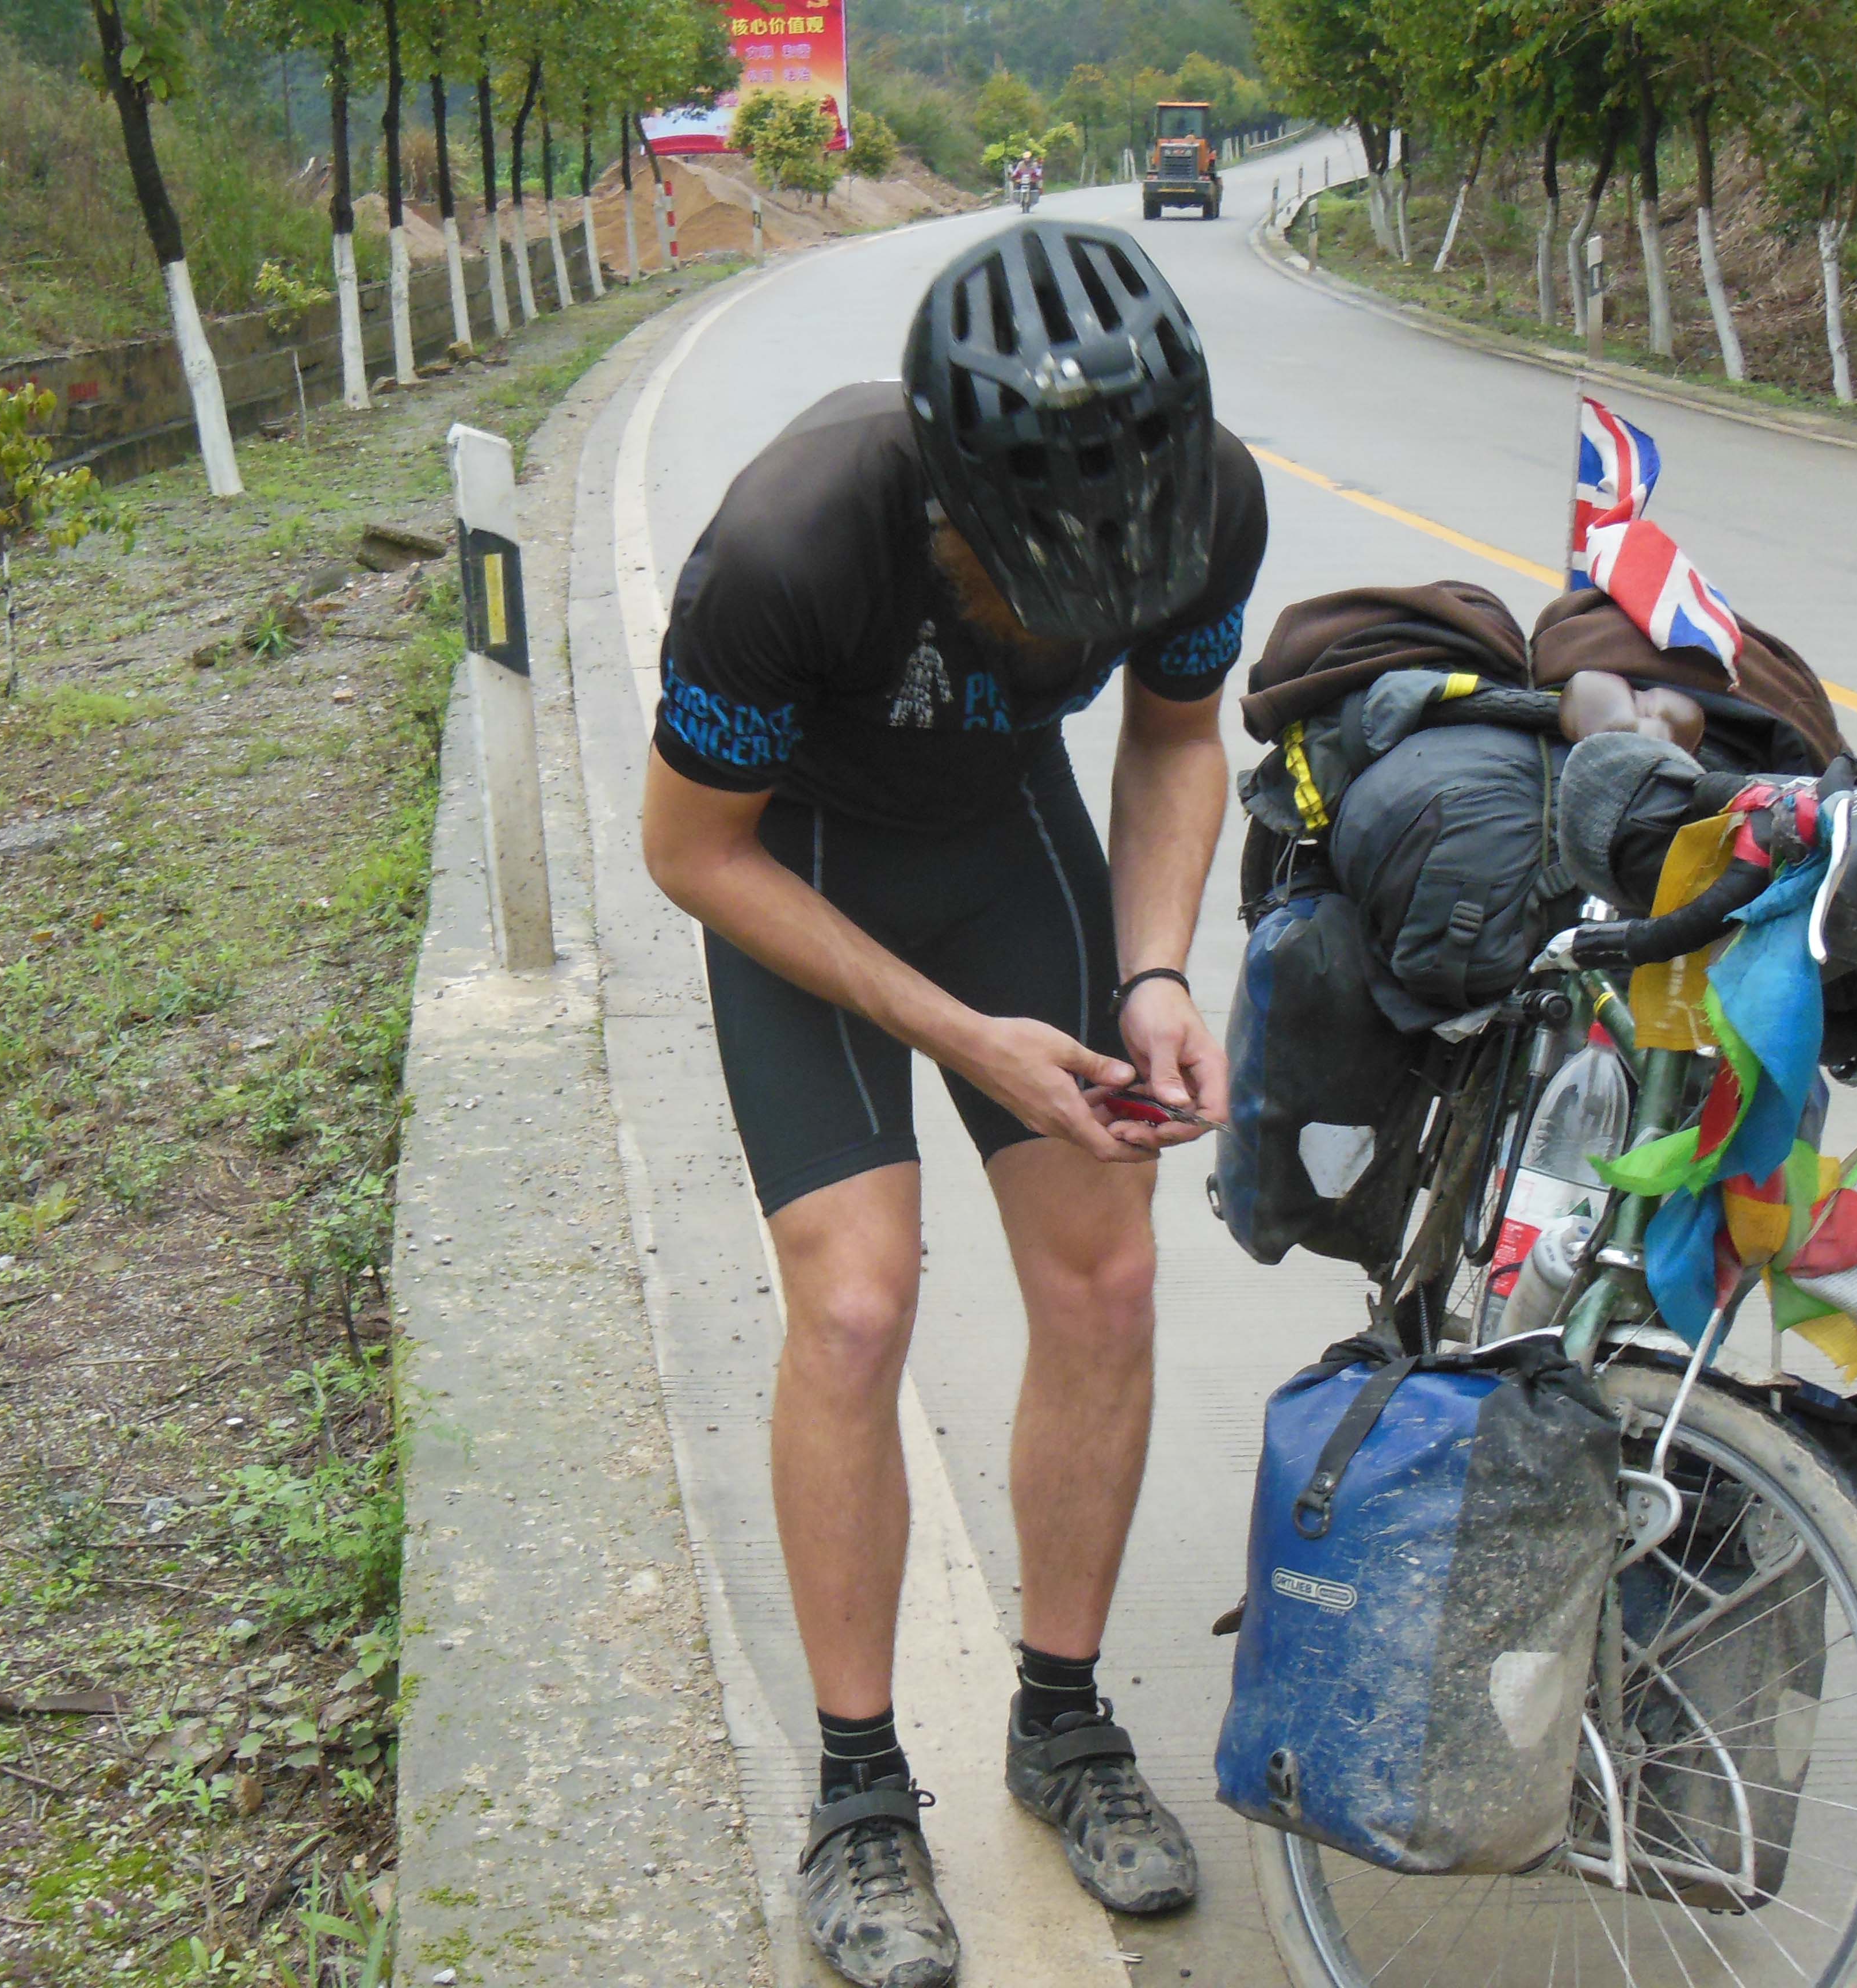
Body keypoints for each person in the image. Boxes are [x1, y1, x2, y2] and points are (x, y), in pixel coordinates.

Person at [641, 220, 1266, 1988]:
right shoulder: (793, 541)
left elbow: (1173, 738)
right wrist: (964, 1039)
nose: (1068, 627)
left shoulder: (1208, 505)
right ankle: (857, 1794)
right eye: (1028, 590)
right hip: (799, 866)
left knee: (1109, 1279)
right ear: (945, 504)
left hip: (1007, 848)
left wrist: (1154, 973)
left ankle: (1061, 1725)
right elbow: (690, 852)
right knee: (855, 1307)